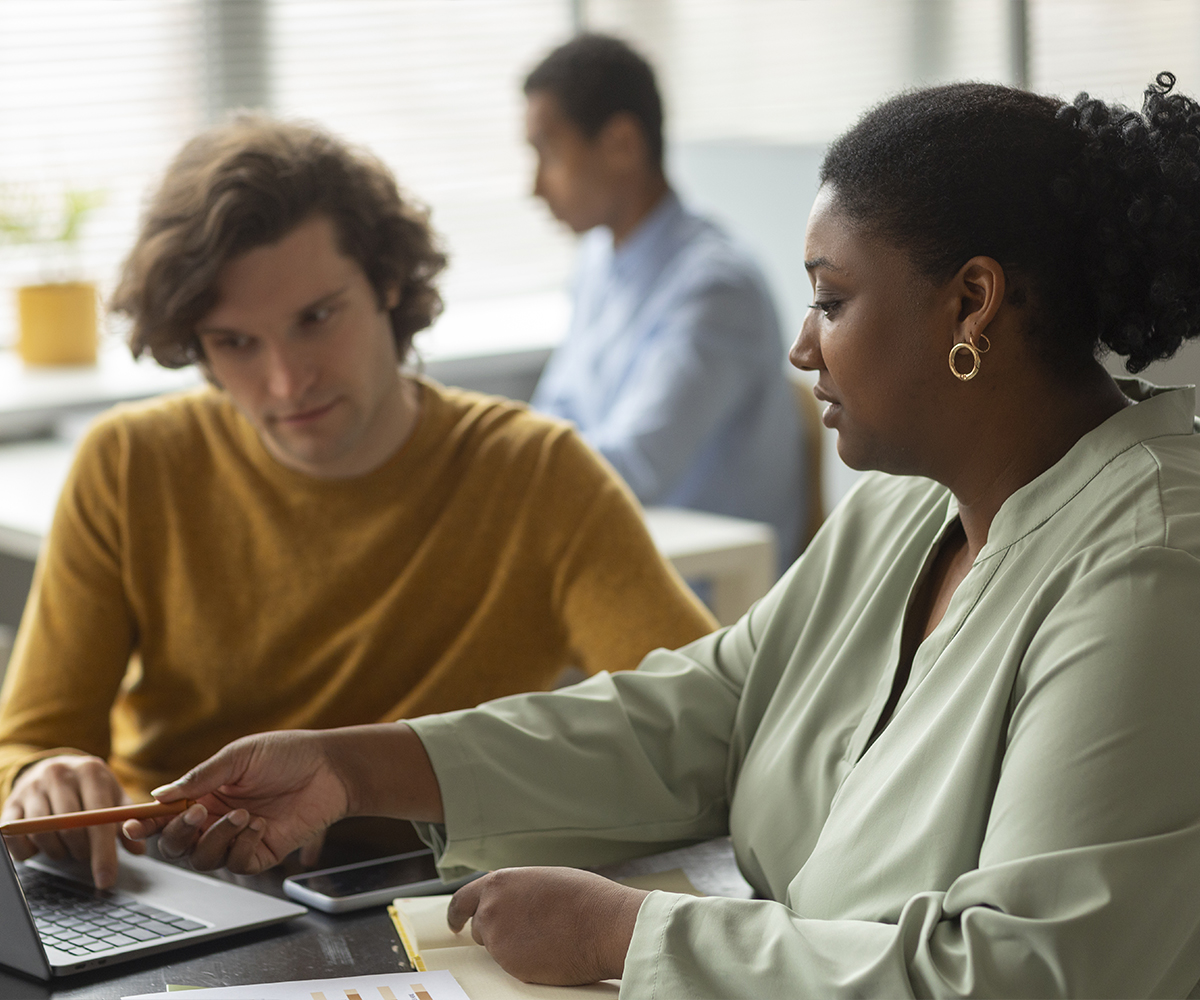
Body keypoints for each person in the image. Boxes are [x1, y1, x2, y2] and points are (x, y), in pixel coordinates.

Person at [123, 74, 1200, 997]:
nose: (801, 346)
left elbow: (1033, 974)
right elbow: (703, 713)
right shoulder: (913, 504)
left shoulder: (1148, 567)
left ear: (973, 304)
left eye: (831, 300)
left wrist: (631, 935)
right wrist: (354, 768)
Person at [0, 116, 717, 890]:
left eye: (315, 319)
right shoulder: (130, 463)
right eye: (235, 343)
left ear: (387, 282)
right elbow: (32, 742)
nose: (286, 381)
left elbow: (704, 727)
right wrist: (45, 776)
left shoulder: (535, 473)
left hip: (429, 887)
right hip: (166, 884)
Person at [524, 34, 805, 563]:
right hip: (624, 552)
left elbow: (636, 469)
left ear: (621, 145)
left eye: (548, 152)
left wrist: (491, 477)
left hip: (712, 588)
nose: (535, 187)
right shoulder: (597, 263)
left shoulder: (716, 288)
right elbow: (554, 419)